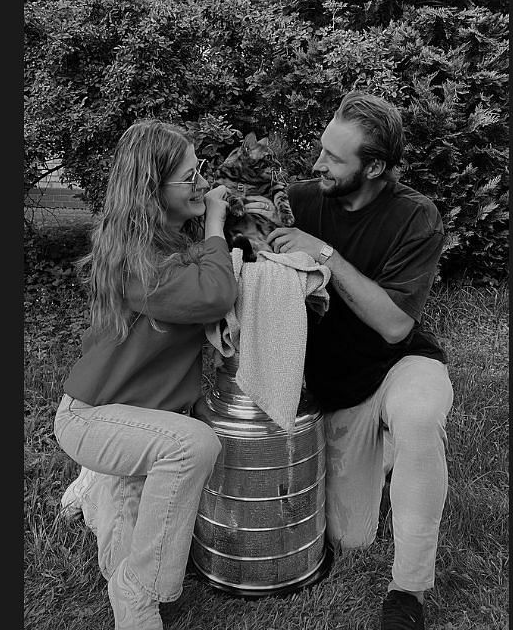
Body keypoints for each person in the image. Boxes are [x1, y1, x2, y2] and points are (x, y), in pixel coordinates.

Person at [246, 91, 454, 630]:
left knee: (419, 415)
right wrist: (247, 222)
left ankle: (408, 591)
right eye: (321, 150)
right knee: (349, 538)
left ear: (376, 166)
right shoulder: (303, 199)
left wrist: (323, 253)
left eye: (334, 159)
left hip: (398, 367)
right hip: (337, 392)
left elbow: (394, 325)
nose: (318, 165)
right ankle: (387, 461)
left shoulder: (415, 217)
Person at [52, 120, 236, 630]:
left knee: (135, 523)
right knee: (192, 446)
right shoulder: (139, 263)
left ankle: (98, 487)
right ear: (152, 191)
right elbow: (214, 293)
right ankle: (135, 590)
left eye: (201, 170)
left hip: (141, 420)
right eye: (190, 176)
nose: (202, 183)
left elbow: (203, 268)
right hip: (95, 419)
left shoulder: (166, 244)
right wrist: (218, 221)